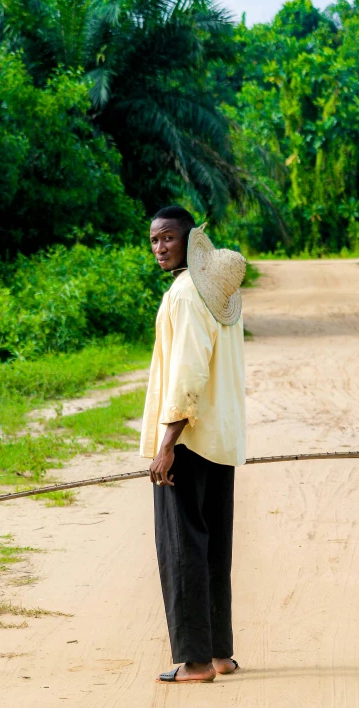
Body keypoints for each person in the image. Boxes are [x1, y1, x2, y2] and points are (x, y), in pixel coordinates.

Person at [140, 205, 247, 684]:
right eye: (153, 241)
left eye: (166, 238)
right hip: (220, 445)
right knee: (213, 549)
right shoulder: (219, 297)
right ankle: (220, 652)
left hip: (188, 443)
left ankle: (197, 662)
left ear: (187, 241)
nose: (159, 248)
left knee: (183, 549)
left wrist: (167, 444)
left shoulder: (186, 296)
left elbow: (187, 374)